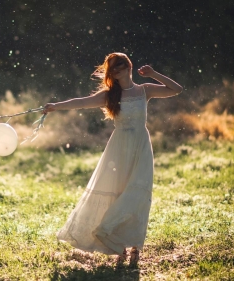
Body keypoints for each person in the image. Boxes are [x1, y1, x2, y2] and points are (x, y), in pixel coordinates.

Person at [42, 52, 183, 264]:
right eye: (114, 69)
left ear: (129, 66)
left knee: (138, 194)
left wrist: (154, 74)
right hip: (118, 148)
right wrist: (56, 106)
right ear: (112, 74)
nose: (118, 71)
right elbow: (81, 102)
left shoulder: (145, 90)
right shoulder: (110, 95)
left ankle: (135, 246)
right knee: (117, 194)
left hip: (141, 146)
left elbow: (177, 89)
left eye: (121, 66)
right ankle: (117, 244)